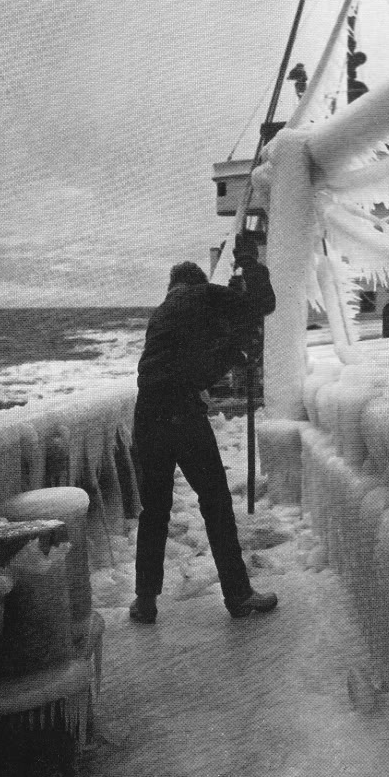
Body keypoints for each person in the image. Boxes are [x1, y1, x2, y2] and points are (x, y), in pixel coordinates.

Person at [129, 235, 277, 624]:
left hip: (147, 415)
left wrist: (230, 350)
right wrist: (249, 263)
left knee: (154, 510)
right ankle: (238, 595)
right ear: (197, 282)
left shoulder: (162, 312)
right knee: (215, 504)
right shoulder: (202, 295)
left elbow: (189, 357)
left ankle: (145, 601)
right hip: (181, 413)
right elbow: (263, 304)